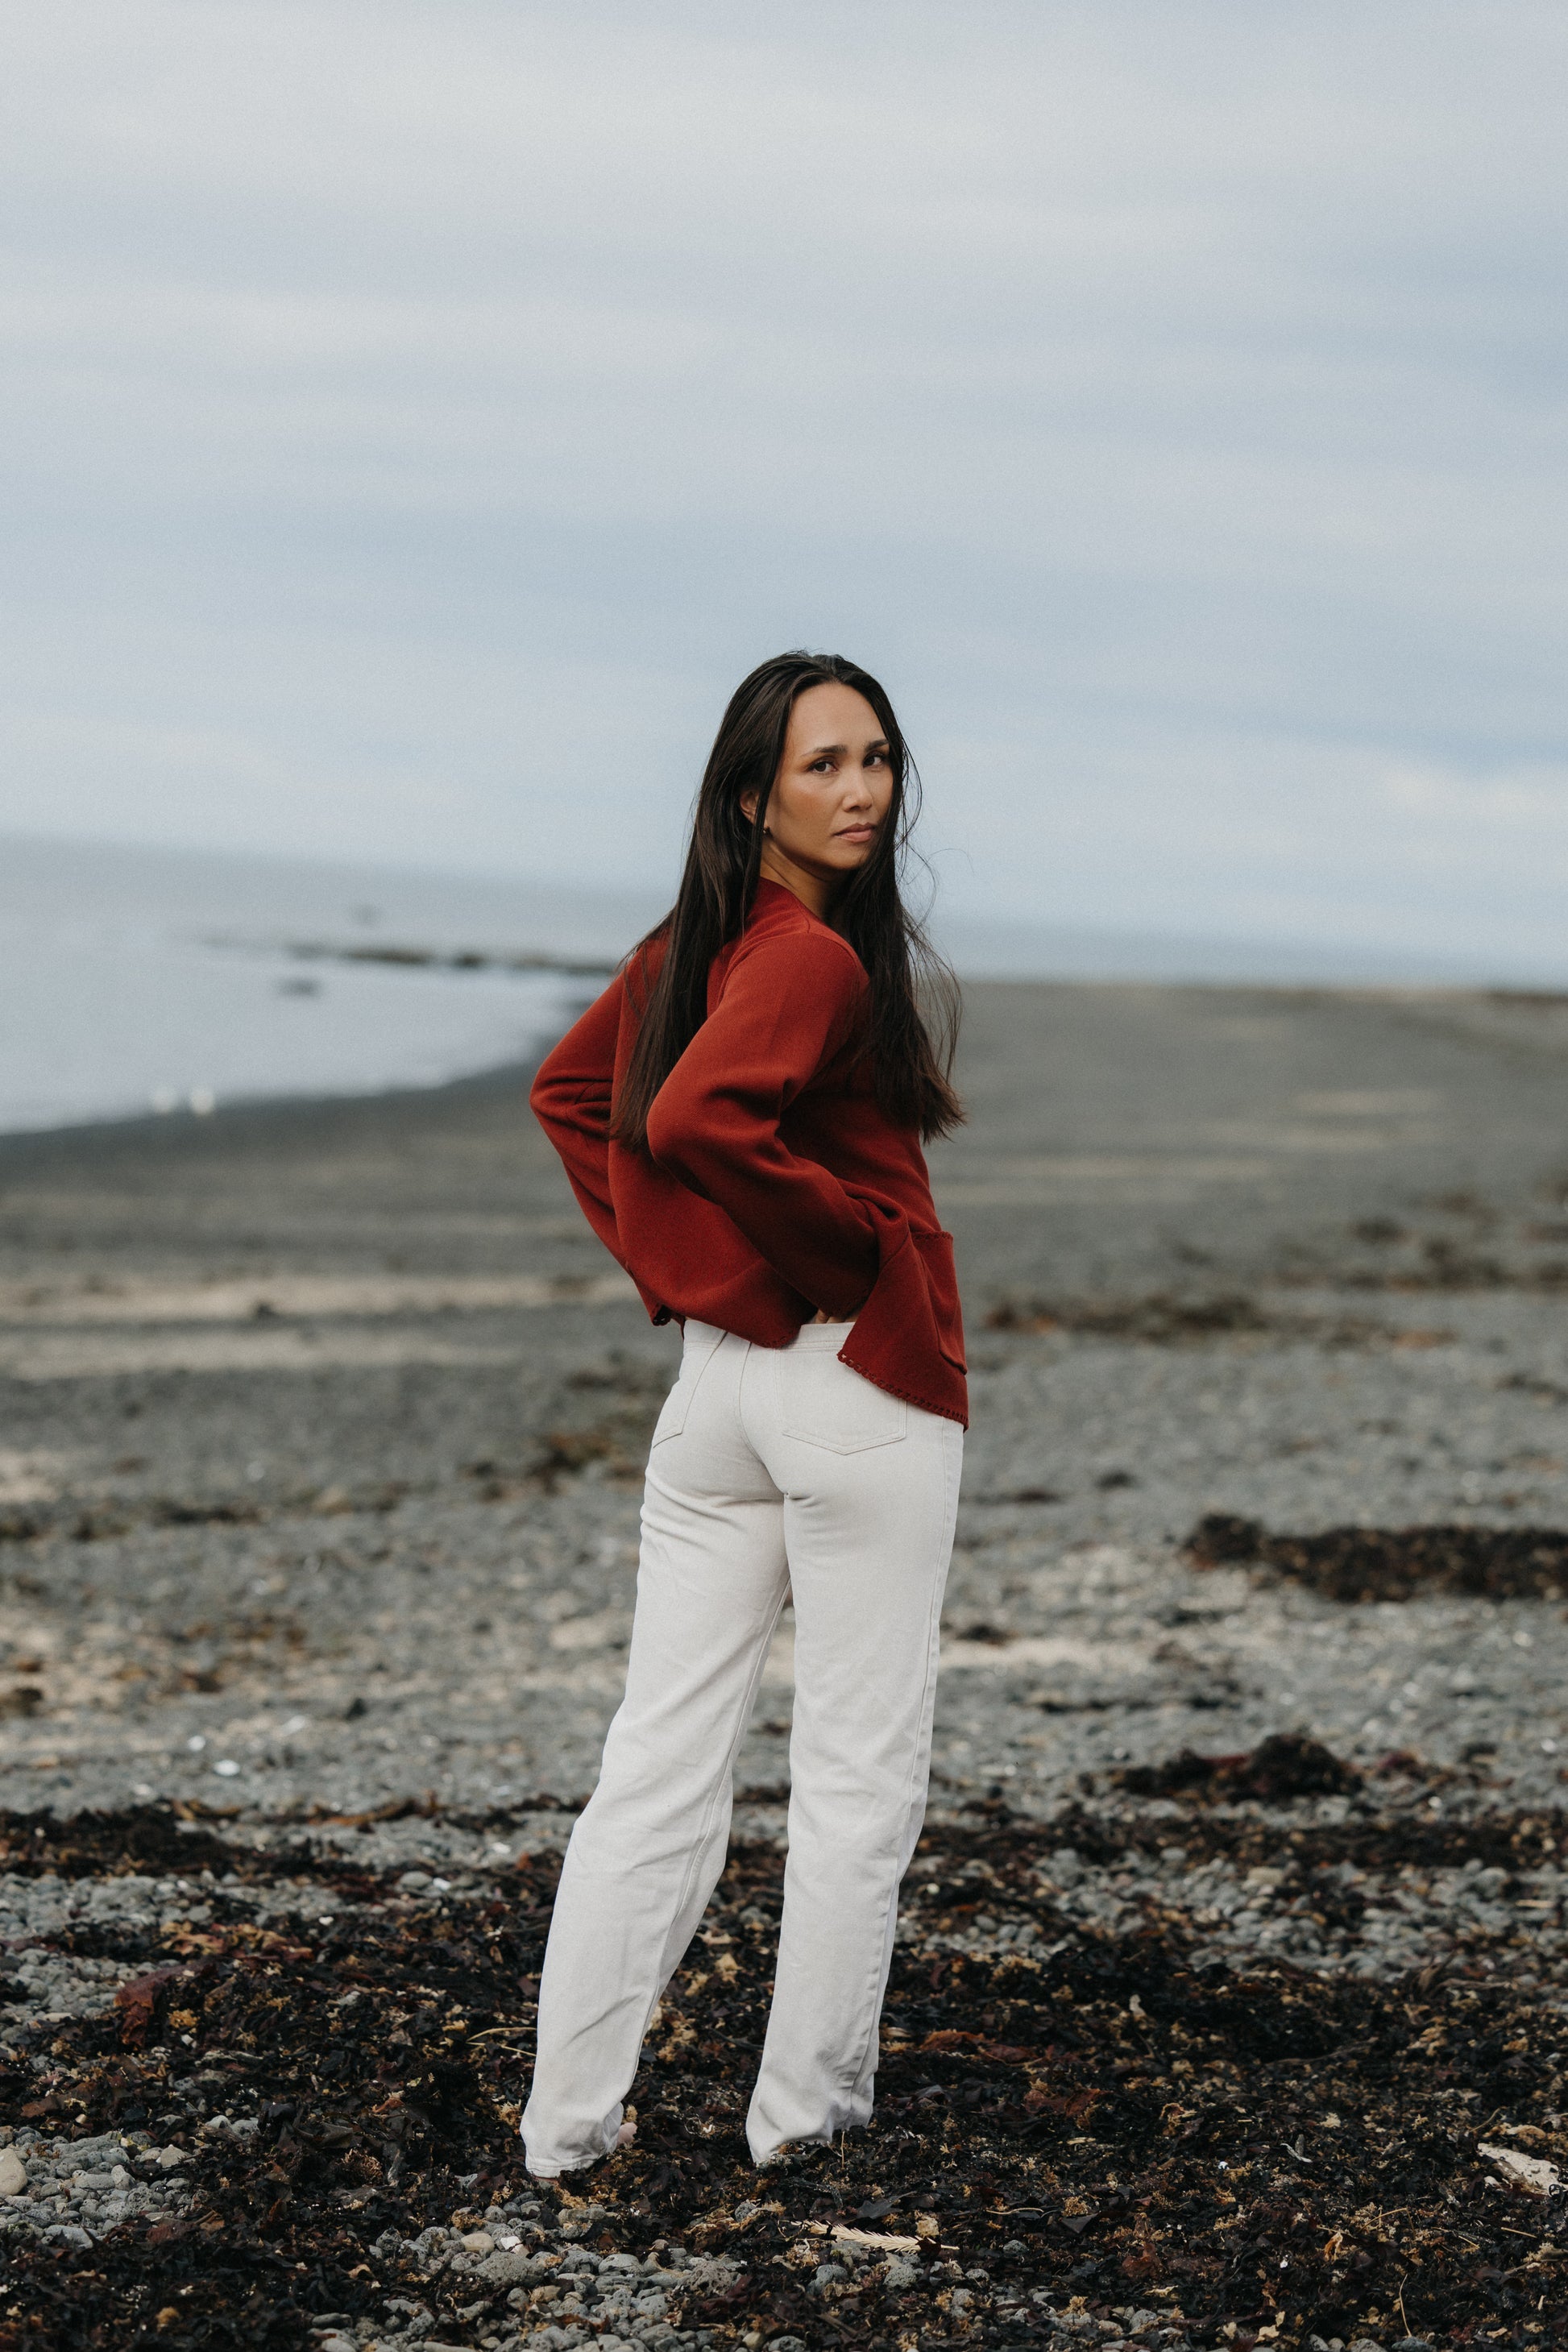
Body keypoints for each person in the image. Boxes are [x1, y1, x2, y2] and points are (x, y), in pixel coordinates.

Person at [521, 649, 968, 2176]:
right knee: (854, 1784)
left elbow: (575, 1099)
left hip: (720, 1392)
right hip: (855, 1378)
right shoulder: (811, 960)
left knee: (655, 1767)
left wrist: (693, 1271)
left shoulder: (692, 948)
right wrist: (836, 1259)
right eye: (821, 765)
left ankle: (566, 2132)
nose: (861, 790)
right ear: (749, 796)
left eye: (876, 758)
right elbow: (694, 1117)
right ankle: (803, 2127)